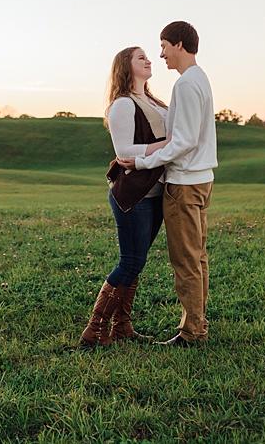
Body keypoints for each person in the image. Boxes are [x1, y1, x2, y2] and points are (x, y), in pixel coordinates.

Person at [117, 21, 217, 347]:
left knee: (186, 262)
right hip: (201, 180)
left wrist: (142, 161)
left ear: (178, 44)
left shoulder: (187, 85)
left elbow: (183, 141)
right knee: (198, 258)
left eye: (163, 46)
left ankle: (192, 334)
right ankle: (198, 325)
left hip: (185, 183)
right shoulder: (198, 79)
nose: (160, 55)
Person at [80, 46, 171, 347]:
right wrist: (169, 144)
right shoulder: (122, 104)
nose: (149, 60)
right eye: (140, 57)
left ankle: (122, 327)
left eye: (148, 56)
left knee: (137, 262)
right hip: (134, 195)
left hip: (156, 192)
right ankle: (95, 330)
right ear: (125, 66)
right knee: (130, 262)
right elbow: (124, 153)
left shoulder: (154, 101)